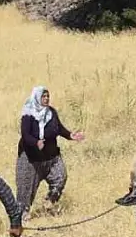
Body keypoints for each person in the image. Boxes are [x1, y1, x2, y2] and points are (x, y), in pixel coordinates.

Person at [17, 86, 85, 218]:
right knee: (25, 192)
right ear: (36, 98)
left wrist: (71, 135)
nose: (46, 99)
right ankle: (21, 219)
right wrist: (36, 142)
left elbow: (59, 128)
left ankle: (48, 204)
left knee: (60, 177)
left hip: (51, 157)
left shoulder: (51, 113)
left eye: (48, 96)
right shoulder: (28, 115)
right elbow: (25, 134)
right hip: (31, 160)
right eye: (43, 96)